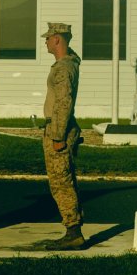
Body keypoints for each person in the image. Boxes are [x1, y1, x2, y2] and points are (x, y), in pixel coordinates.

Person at [39, 22, 85, 250]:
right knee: (63, 181)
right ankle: (73, 229)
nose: (45, 42)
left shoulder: (63, 68)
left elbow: (63, 103)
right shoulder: (65, 64)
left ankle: (74, 232)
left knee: (61, 183)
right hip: (57, 128)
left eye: (48, 38)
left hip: (58, 130)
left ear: (57, 39)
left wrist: (57, 135)